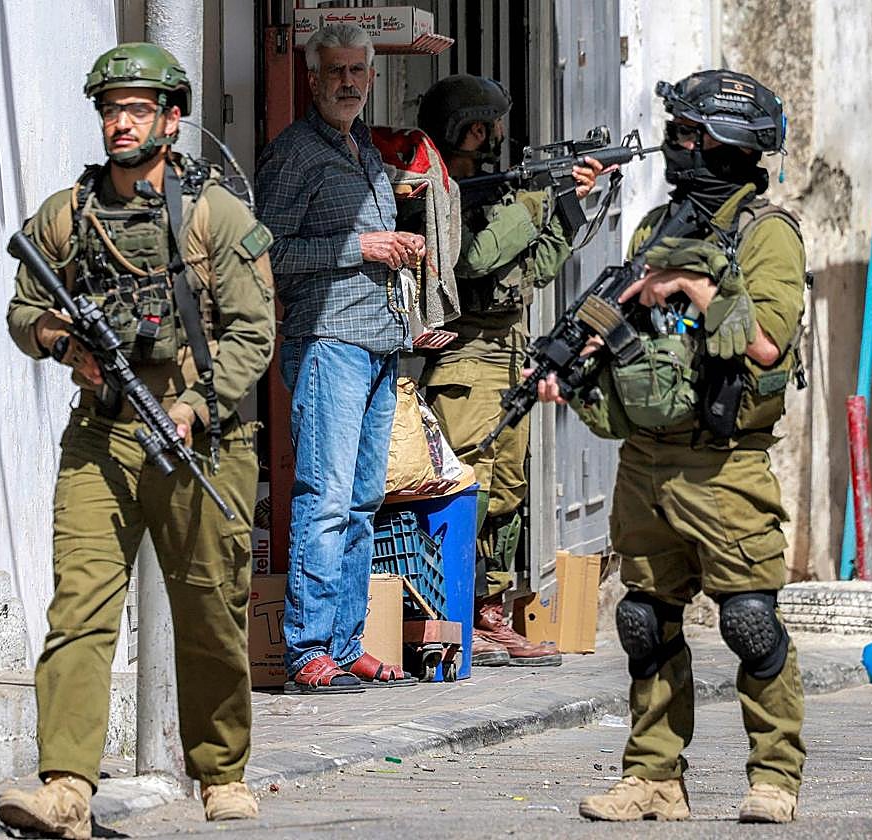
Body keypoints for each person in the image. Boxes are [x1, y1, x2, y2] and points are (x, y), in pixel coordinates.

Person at [0, 42, 275, 836]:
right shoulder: (68, 213)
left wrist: (193, 403)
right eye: (111, 109)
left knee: (210, 612)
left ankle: (221, 770)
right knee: (80, 607)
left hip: (201, 438)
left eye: (137, 109)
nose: (121, 123)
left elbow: (255, 335)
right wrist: (60, 339)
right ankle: (66, 788)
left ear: (171, 119)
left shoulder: (216, 216)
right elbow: (22, 310)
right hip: (103, 433)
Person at [534, 70, 807, 824]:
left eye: (689, 135)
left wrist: (691, 288)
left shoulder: (767, 233)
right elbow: (614, 311)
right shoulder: (658, 226)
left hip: (725, 465)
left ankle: (774, 777)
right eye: (678, 133)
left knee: (749, 622)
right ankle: (654, 778)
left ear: (725, 144)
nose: (676, 147)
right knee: (644, 622)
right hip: (648, 460)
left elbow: (764, 345)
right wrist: (568, 363)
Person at [254, 23, 424, 693]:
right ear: (313, 80)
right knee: (325, 500)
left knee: (361, 503)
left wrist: (400, 252)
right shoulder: (294, 153)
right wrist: (364, 249)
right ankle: (307, 650)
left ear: (371, 78)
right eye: (336, 72)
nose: (349, 82)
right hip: (328, 345)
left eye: (359, 71)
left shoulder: (361, 149)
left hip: (379, 344)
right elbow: (265, 255)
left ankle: (347, 642)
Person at [415, 75, 604, 667]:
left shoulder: (503, 194)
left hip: (509, 349)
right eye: (487, 125)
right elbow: (472, 259)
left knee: (509, 490)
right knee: (469, 483)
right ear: (466, 127)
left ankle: (491, 612)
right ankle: (458, 614)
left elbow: (533, 267)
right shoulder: (440, 187)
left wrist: (569, 207)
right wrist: (533, 202)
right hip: (464, 352)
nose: (495, 135)